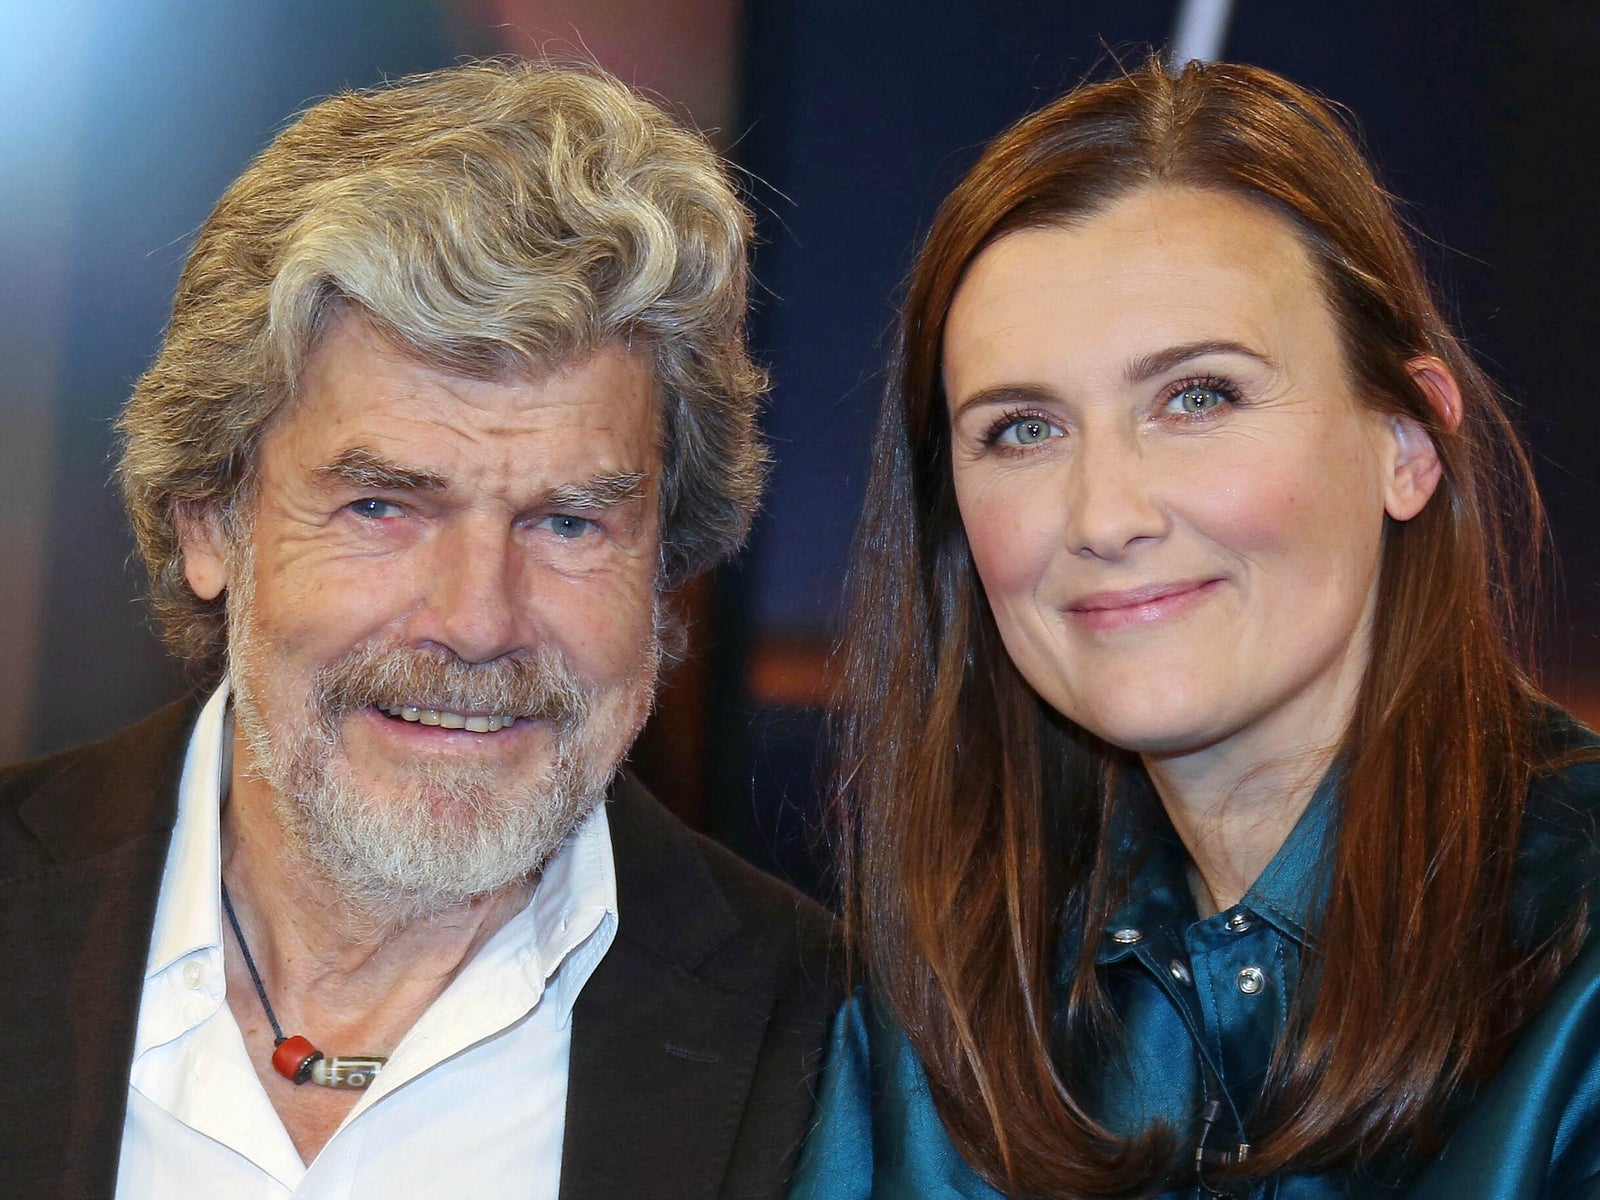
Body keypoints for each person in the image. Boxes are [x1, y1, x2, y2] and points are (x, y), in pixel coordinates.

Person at [0, 60, 838, 1200]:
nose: (478, 621)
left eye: (570, 521)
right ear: (209, 523)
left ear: (667, 567)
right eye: (381, 507)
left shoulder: (831, 1050)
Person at [790, 56, 1600, 1200]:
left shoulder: (1577, 961)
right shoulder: (946, 1007)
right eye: (1023, 429)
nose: (1104, 516)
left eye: (1197, 397)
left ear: (1407, 443)